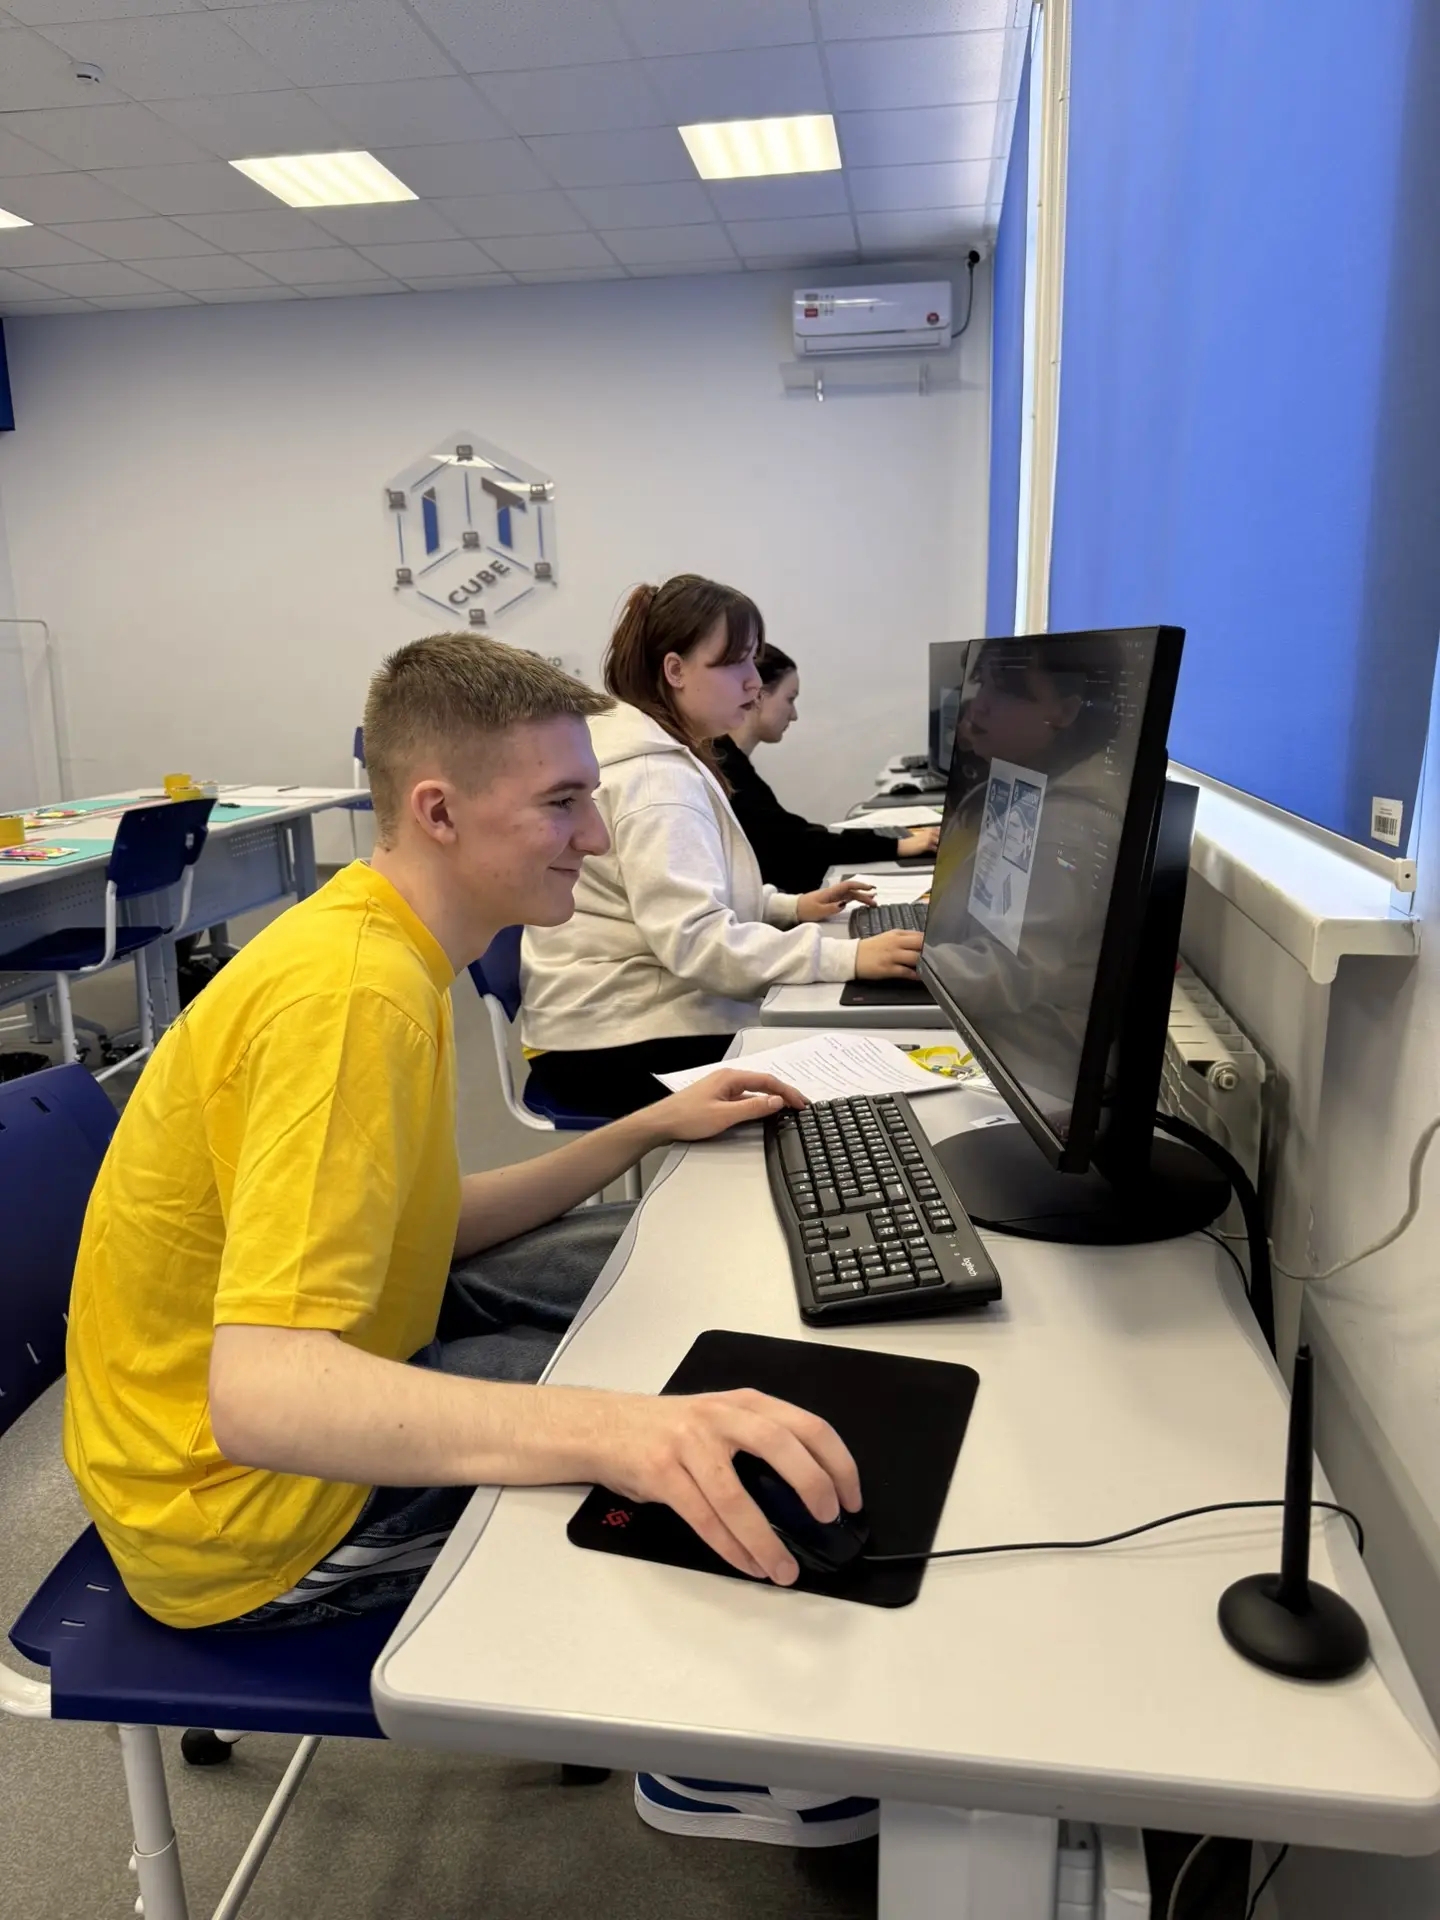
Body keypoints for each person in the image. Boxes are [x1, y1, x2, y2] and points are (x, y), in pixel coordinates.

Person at [63, 635, 863, 1648]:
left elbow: (423, 1225)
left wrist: (646, 1127)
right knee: (688, 1436)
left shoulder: (381, 939)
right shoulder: (353, 998)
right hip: (244, 1512)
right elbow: (262, 1399)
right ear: (439, 813)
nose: (597, 838)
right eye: (562, 803)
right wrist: (617, 1430)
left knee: (672, 1306)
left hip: (274, 1403)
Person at [521, 577, 924, 1119]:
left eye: (754, 660)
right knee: (854, 1066)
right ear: (675, 670)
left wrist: (787, 907)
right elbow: (696, 942)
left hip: (609, 1022)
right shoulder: (654, 780)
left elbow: (686, 895)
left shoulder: (659, 752)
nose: (754, 681)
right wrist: (846, 956)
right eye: (735, 663)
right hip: (614, 1041)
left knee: (833, 1034)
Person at [716, 643, 940, 891]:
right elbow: (795, 843)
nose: (794, 715)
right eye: (790, 699)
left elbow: (790, 833)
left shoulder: (730, 761)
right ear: (758, 695)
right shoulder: (726, 769)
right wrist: (898, 845)